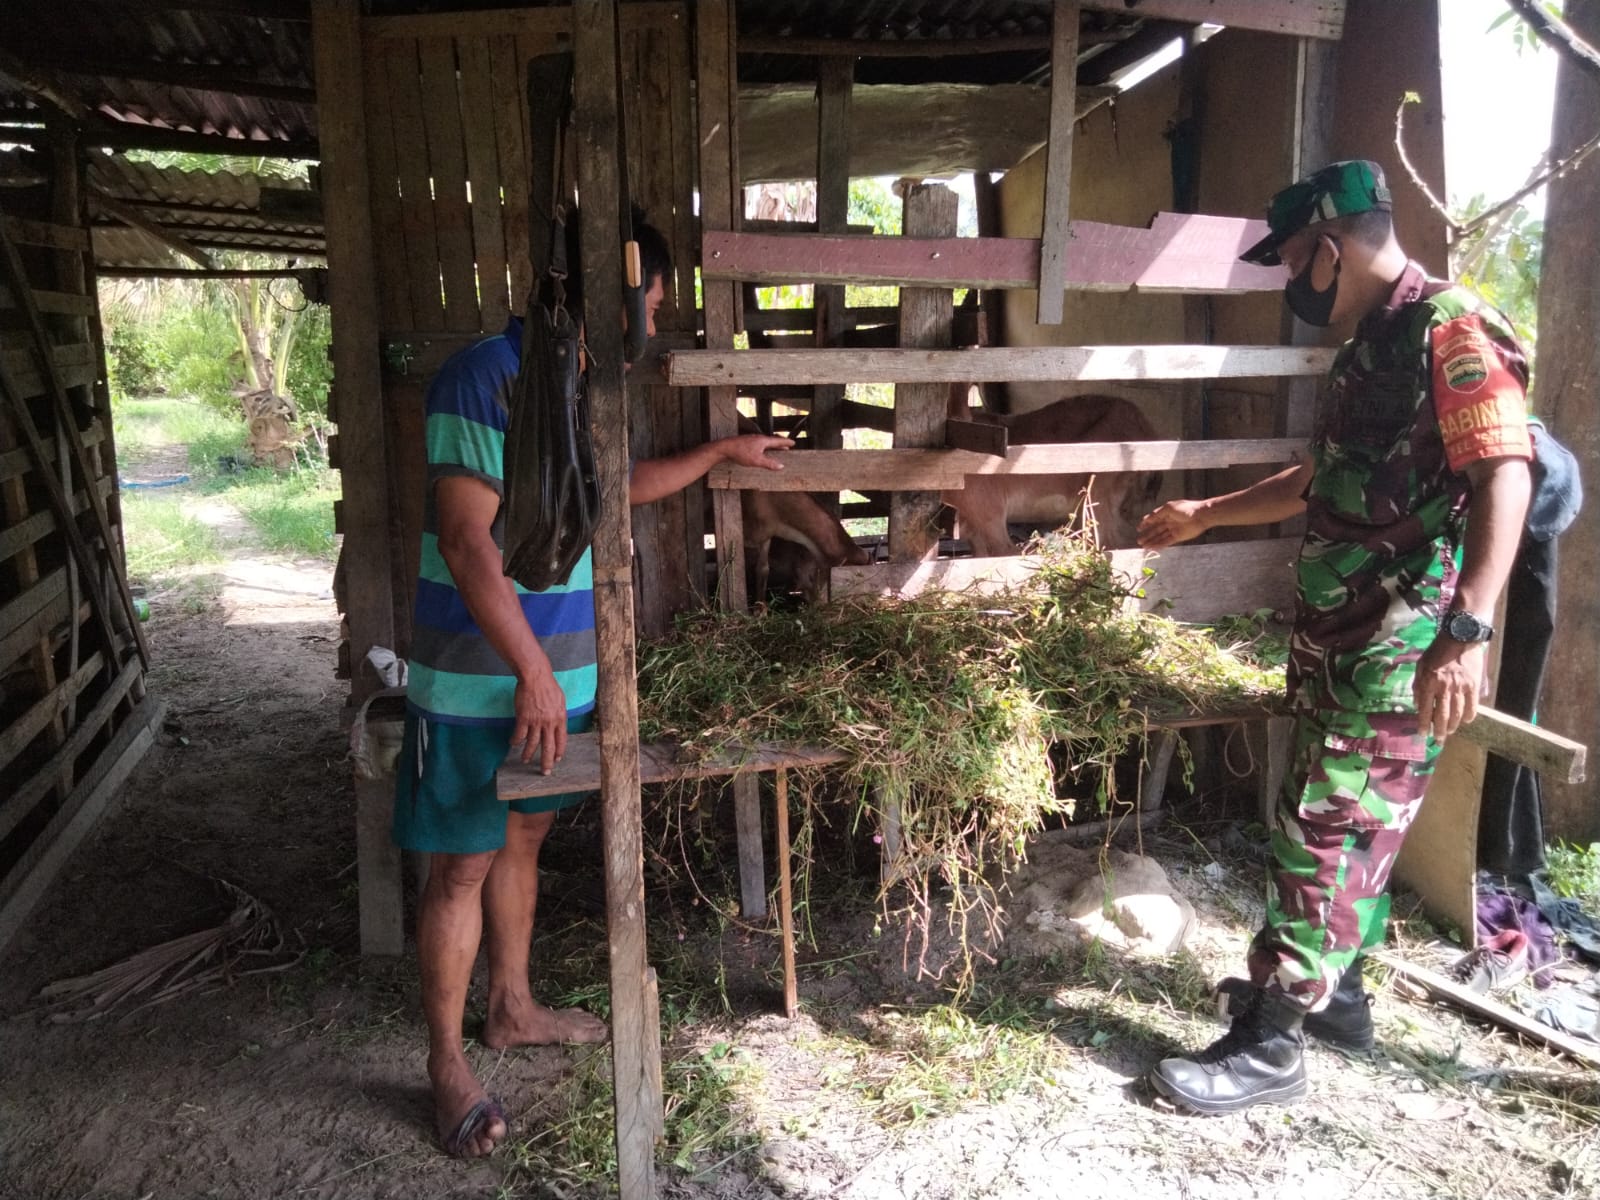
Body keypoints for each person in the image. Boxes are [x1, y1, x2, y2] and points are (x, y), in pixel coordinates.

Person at [1137, 160, 1533, 1115]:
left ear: (1327, 245)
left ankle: (1273, 1046)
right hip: (1339, 633)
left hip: (1404, 642)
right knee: (1321, 813)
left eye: (1289, 263)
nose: (1288, 283)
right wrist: (1208, 514)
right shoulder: (1371, 346)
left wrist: (1467, 629)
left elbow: (1505, 474)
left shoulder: (1453, 328)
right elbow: (1325, 477)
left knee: (1332, 827)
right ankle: (1338, 997)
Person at [393, 213, 792, 1157]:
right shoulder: (483, 378)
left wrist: (718, 457)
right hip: (479, 685)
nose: (654, 321)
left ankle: (513, 1007)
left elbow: (612, 492)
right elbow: (466, 541)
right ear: (610, 297)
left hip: (550, 682)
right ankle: (446, 1060)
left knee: (523, 836)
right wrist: (532, 669)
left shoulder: (573, 390)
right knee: (461, 863)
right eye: (651, 301)